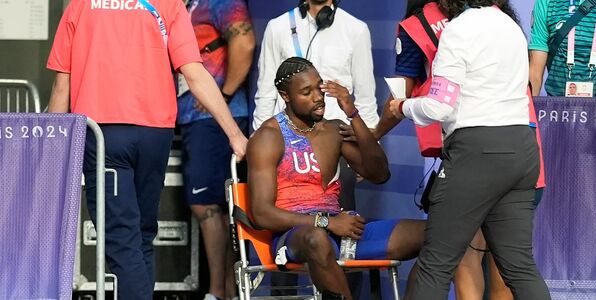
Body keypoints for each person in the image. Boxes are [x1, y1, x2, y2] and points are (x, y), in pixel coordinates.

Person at [46, 0, 248, 299]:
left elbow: (63, 83)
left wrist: (52, 150)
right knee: (141, 235)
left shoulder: (80, 5)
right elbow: (194, 74)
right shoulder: (168, 4)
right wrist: (234, 134)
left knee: (122, 240)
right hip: (155, 134)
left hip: (104, 134)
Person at [373, 1, 546, 299]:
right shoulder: (511, 27)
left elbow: (440, 106)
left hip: (476, 153)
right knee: (520, 268)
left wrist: (403, 106)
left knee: (435, 264)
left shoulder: (458, 29)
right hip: (522, 149)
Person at [247, 57, 424, 300]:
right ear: (285, 96)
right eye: (306, 92)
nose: (318, 98)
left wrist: (353, 114)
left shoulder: (333, 129)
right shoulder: (268, 137)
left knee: (436, 234)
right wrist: (325, 223)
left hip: (342, 232)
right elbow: (261, 213)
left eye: (319, 88)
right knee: (316, 239)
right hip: (295, 236)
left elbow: (380, 174)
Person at [253, 1, 380, 294]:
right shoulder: (278, 27)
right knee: (296, 236)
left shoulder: (355, 29)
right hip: (283, 145)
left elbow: (367, 96)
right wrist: (258, 140)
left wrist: (366, 141)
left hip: (336, 143)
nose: (316, 94)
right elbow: (264, 94)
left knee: (345, 235)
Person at [176, 0, 255, 299]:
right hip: (193, 118)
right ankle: (229, 291)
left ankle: (218, 292)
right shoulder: (186, 6)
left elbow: (245, 42)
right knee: (216, 205)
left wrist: (222, 94)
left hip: (217, 118)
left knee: (208, 205)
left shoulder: (221, 2)